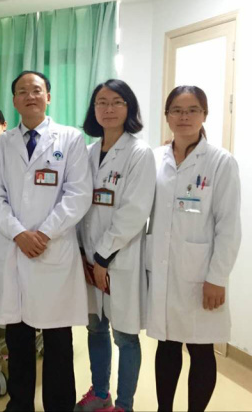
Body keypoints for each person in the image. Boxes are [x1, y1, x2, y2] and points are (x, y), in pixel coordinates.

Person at [0, 70, 92, 411]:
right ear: (14, 100)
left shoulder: (70, 139)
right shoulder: (2, 144)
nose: (30, 96)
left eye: (36, 90)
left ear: (48, 96)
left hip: (52, 249)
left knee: (58, 341)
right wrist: (19, 233)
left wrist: (44, 233)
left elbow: (78, 194)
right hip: (14, 249)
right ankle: (19, 405)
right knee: (17, 339)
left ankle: (59, 406)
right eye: (22, 91)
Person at [147, 85, 241, 412]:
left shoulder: (220, 162)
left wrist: (217, 278)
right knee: (166, 344)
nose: (184, 117)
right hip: (162, 270)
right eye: (176, 110)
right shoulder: (154, 158)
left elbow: (228, 225)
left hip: (201, 274)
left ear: (204, 115)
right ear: (167, 115)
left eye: (192, 110)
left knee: (200, 349)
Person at [75, 79, 156, 412]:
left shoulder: (139, 153)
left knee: (125, 336)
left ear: (129, 108)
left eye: (117, 102)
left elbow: (134, 211)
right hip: (89, 257)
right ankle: (100, 393)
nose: (108, 109)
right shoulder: (87, 153)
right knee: (95, 327)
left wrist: (102, 257)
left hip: (118, 259)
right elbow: (79, 205)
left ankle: (124, 405)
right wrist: (84, 254)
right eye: (101, 102)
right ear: (93, 109)